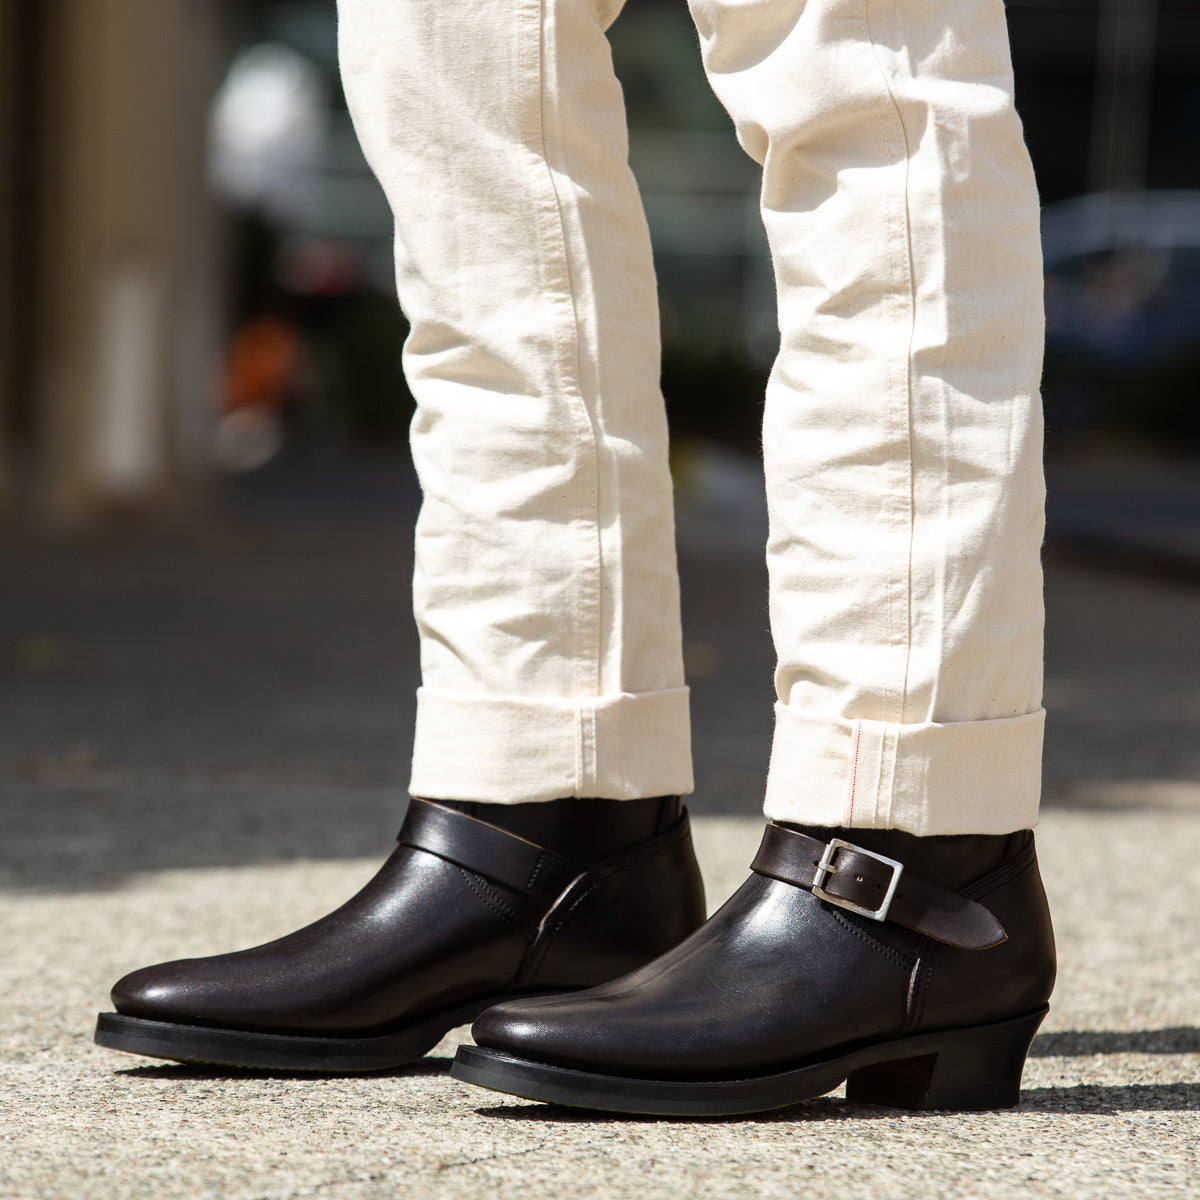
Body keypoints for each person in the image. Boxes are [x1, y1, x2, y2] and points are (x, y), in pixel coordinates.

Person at [94, 0, 1055, 1116]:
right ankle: (541, 824)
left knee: (860, 76)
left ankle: (912, 852)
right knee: (462, 111)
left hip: (921, 873)